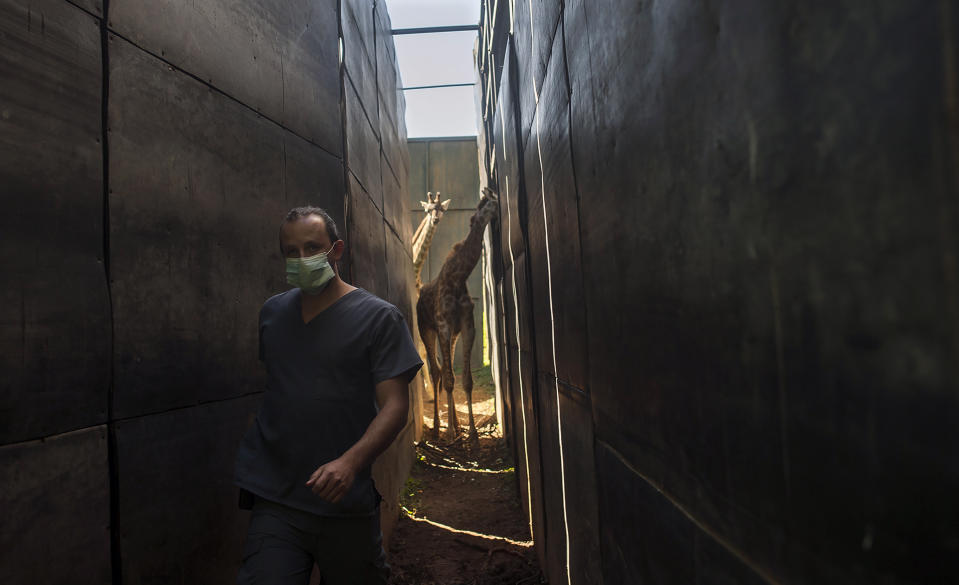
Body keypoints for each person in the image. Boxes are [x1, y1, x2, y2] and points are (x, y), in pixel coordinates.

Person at [234, 206, 423, 585]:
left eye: (312, 248)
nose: (302, 260)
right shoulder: (272, 314)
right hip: (277, 498)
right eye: (292, 252)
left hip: (344, 505)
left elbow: (396, 406)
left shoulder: (379, 319)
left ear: (336, 250)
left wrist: (349, 464)